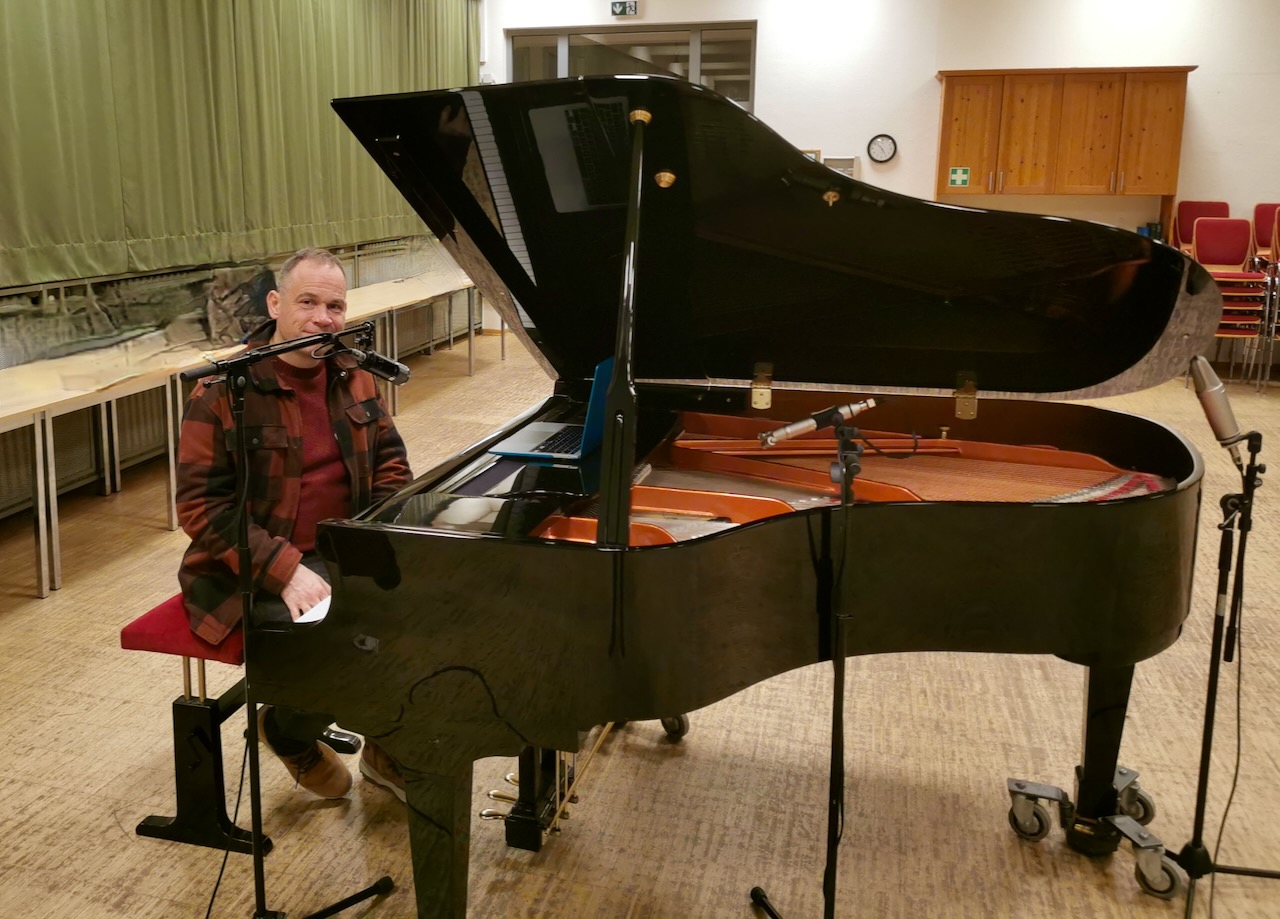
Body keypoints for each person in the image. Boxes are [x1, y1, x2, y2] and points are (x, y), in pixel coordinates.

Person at [176, 247, 411, 801]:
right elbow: (202, 508)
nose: (322, 318)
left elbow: (392, 465)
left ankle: (383, 748)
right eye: (307, 302)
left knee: (424, 609)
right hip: (249, 568)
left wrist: (378, 538)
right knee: (346, 638)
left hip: (341, 549)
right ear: (275, 304)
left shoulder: (354, 373)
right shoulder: (222, 391)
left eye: (335, 306)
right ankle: (286, 730)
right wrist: (283, 571)